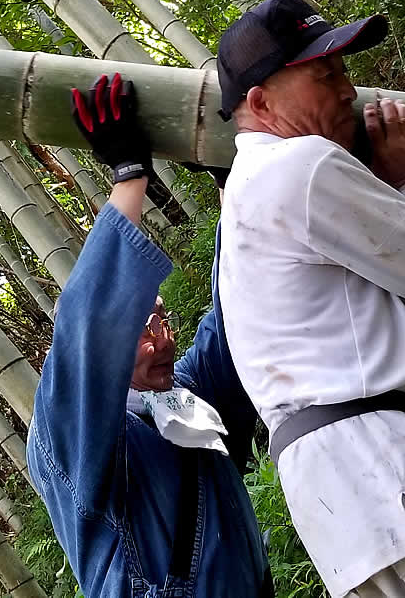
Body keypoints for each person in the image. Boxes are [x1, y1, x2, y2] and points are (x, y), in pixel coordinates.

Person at [215, 0, 405, 598]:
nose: (349, 90)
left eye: (344, 71)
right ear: (260, 101)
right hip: (390, 466)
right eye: (325, 74)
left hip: (345, 493)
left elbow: (394, 259)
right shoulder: (297, 168)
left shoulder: (256, 186)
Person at [27, 72, 271, 598]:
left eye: (161, 323)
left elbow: (241, 313)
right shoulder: (74, 430)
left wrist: (236, 186)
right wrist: (129, 177)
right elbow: (88, 335)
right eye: (138, 331)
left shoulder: (184, 400)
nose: (160, 341)